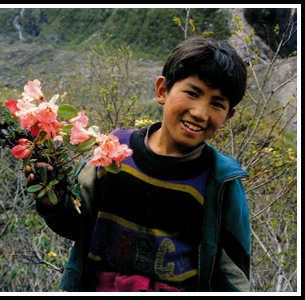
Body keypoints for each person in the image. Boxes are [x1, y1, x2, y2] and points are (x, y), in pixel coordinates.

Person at [25, 37, 250, 292]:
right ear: (162, 90)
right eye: (192, 93)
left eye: (217, 104)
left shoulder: (221, 181)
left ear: (229, 114)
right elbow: (79, 225)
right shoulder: (114, 150)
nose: (200, 112)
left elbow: (233, 274)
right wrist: (51, 201)